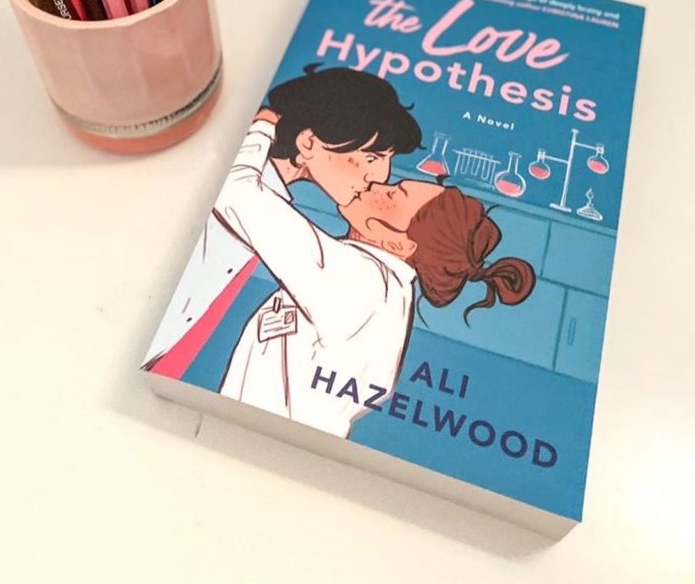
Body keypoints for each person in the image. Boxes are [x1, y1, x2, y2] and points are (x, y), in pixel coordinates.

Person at [214, 112, 536, 439]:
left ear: (400, 243)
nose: (376, 185)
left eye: (393, 195)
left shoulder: (359, 280)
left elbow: (234, 193)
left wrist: (264, 125)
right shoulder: (382, 286)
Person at [144, 66, 422, 375]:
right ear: (309, 142)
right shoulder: (238, 186)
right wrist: (262, 127)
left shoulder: (268, 199)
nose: (380, 176)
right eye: (372, 158)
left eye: (387, 160)